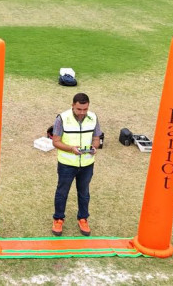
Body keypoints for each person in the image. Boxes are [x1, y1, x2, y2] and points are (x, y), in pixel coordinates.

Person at [51, 92, 102, 237]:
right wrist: (71, 149)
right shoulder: (62, 118)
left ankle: (83, 218)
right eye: (79, 109)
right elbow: (55, 141)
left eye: (85, 109)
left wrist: (94, 147)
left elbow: (97, 138)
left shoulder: (93, 118)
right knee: (62, 192)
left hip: (87, 164)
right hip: (67, 164)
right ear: (73, 105)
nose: (82, 113)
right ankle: (58, 219)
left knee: (84, 193)